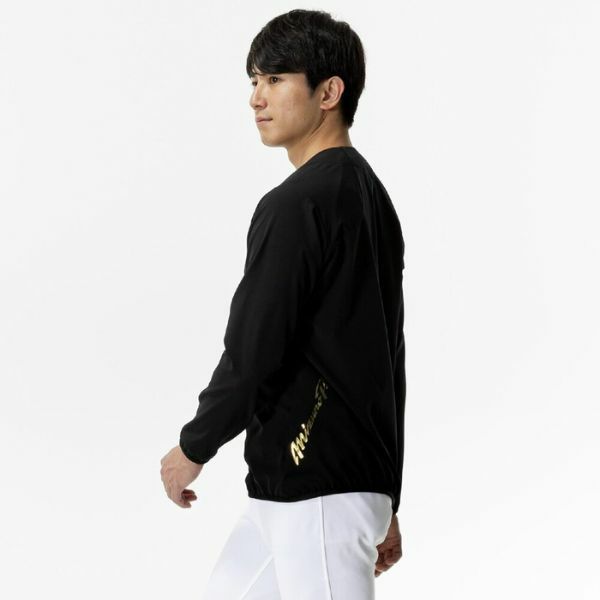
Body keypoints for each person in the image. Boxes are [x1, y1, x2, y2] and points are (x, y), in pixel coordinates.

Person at [160, 9, 406, 599]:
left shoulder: (300, 203)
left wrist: (194, 446)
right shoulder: (370, 198)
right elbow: (385, 360)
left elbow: (253, 347)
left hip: (317, 491)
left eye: (275, 79)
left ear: (329, 92)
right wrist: (383, 493)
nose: (256, 98)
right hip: (296, 493)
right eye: (254, 80)